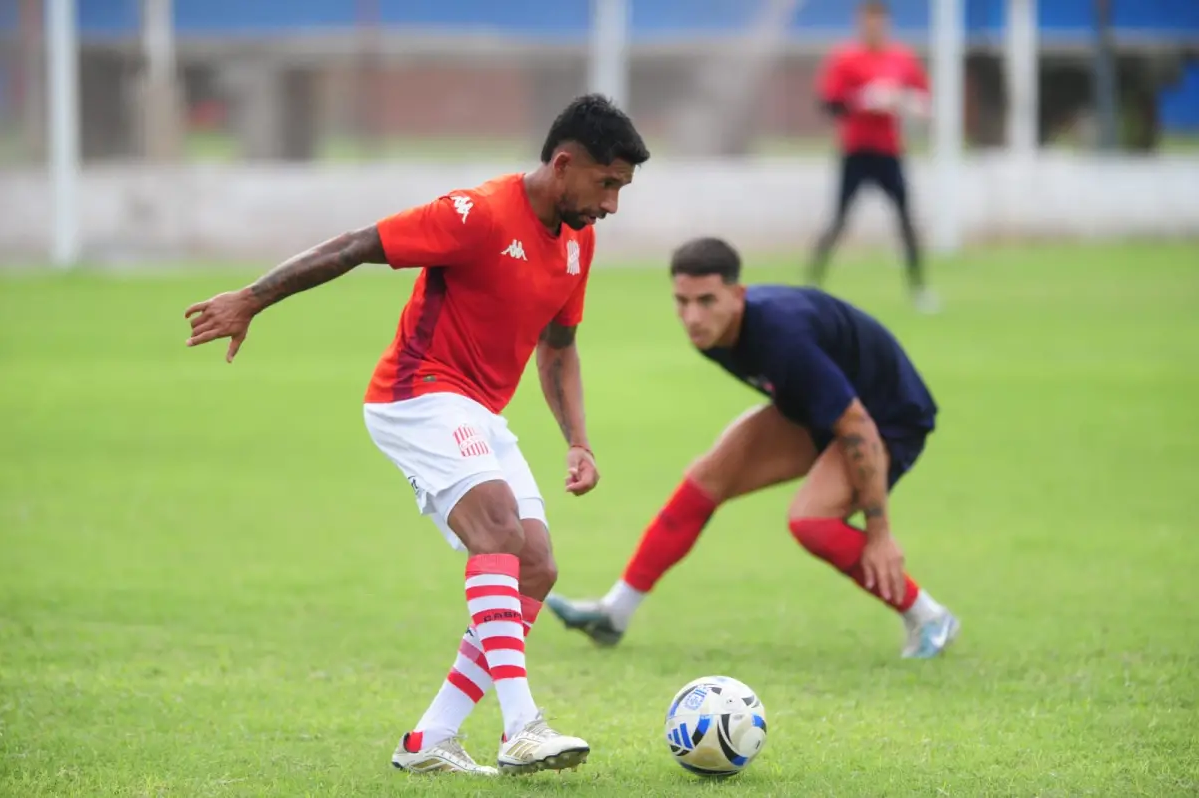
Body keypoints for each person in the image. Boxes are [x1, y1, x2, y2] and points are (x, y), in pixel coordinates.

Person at [183, 94, 650, 776]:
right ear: (564, 163)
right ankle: (521, 727)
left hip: (479, 411)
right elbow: (354, 246)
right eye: (608, 185)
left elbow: (559, 348)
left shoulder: (579, 241)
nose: (612, 204)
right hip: (416, 393)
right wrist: (252, 298)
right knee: (498, 529)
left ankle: (430, 738)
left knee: (538, 565)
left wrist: (578, 440)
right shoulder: (479, 213)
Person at [546, 237, 960, 659]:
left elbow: (857, 424)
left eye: (707, 300)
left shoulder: (782, 333)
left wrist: (879, 533)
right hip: (820, 406)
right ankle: (615, 613)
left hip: (885, 418)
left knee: (811, 521)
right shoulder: (715, 331)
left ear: (738, 295)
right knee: (707, 478)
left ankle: (929, 616)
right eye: (682, 301)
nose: (692, 317)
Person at [807, 0, 939, 313]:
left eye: (879, 22)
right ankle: (813, 283)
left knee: (905, 219)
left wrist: (904, 101)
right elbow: (829, 104)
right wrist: (863, 100)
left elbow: (923, 100)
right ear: (860, 23)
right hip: (856, 149)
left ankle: (919, 288)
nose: (874, 27)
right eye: (868, 21)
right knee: (839, 218)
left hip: (889, 149)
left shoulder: (902, 58)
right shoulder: (845, 58)